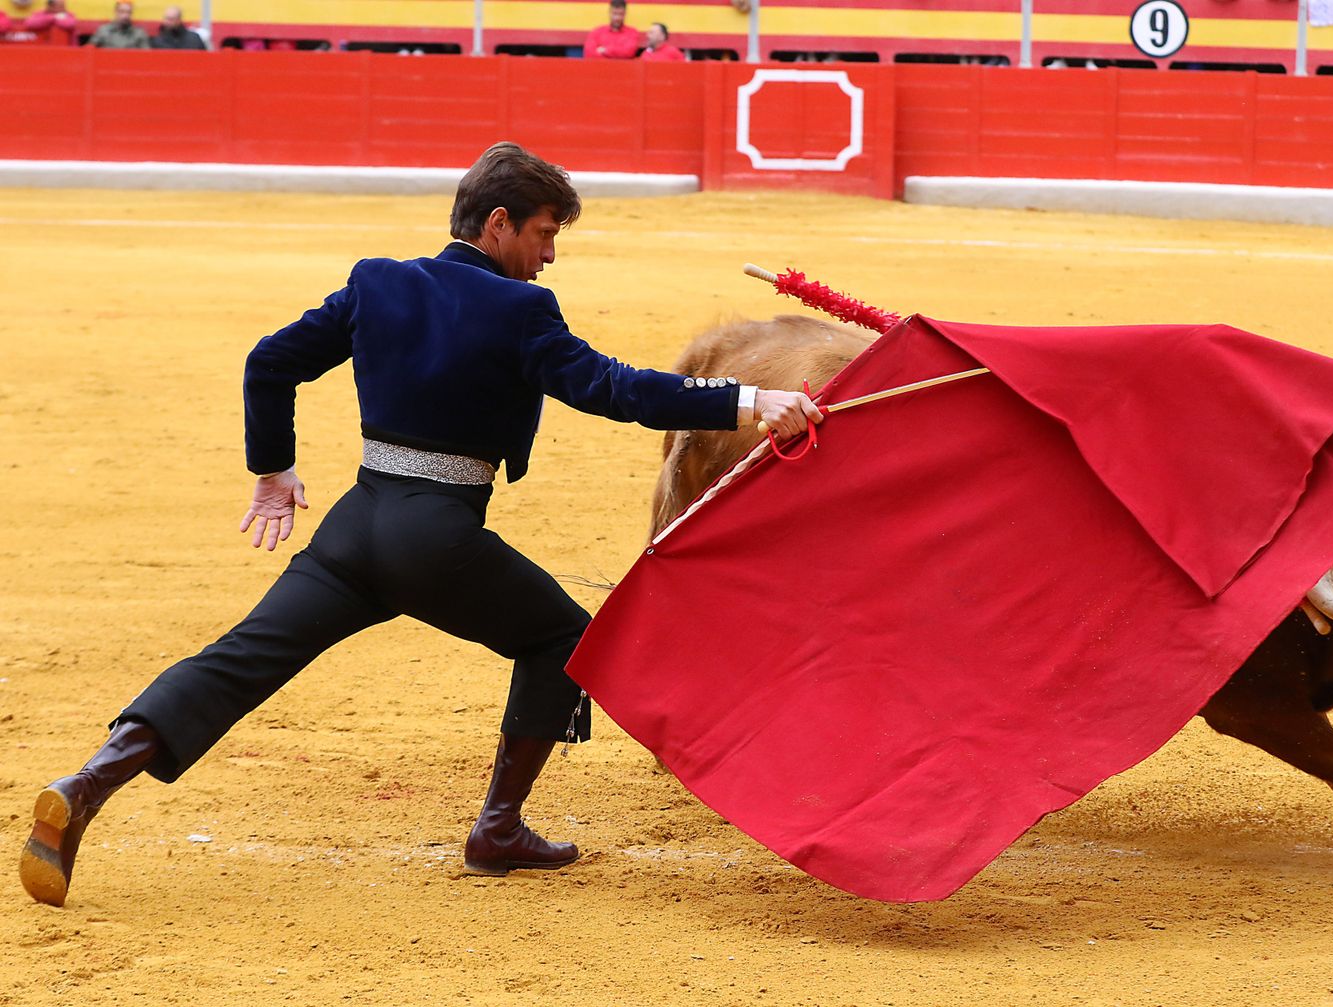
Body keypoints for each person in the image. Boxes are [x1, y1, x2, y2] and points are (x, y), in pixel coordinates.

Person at [18, 141, 824, 908]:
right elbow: (619, 390)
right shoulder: (522, 309)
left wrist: (274, 469)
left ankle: (83, 785)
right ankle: (498, 827)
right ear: (498, 223)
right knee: (562, 640)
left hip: (354, 525)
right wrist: (754, 400)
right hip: (436, 537)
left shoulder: (378, 282)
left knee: (237, 661)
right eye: (544, 233)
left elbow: (270, 360)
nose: (549, 255)